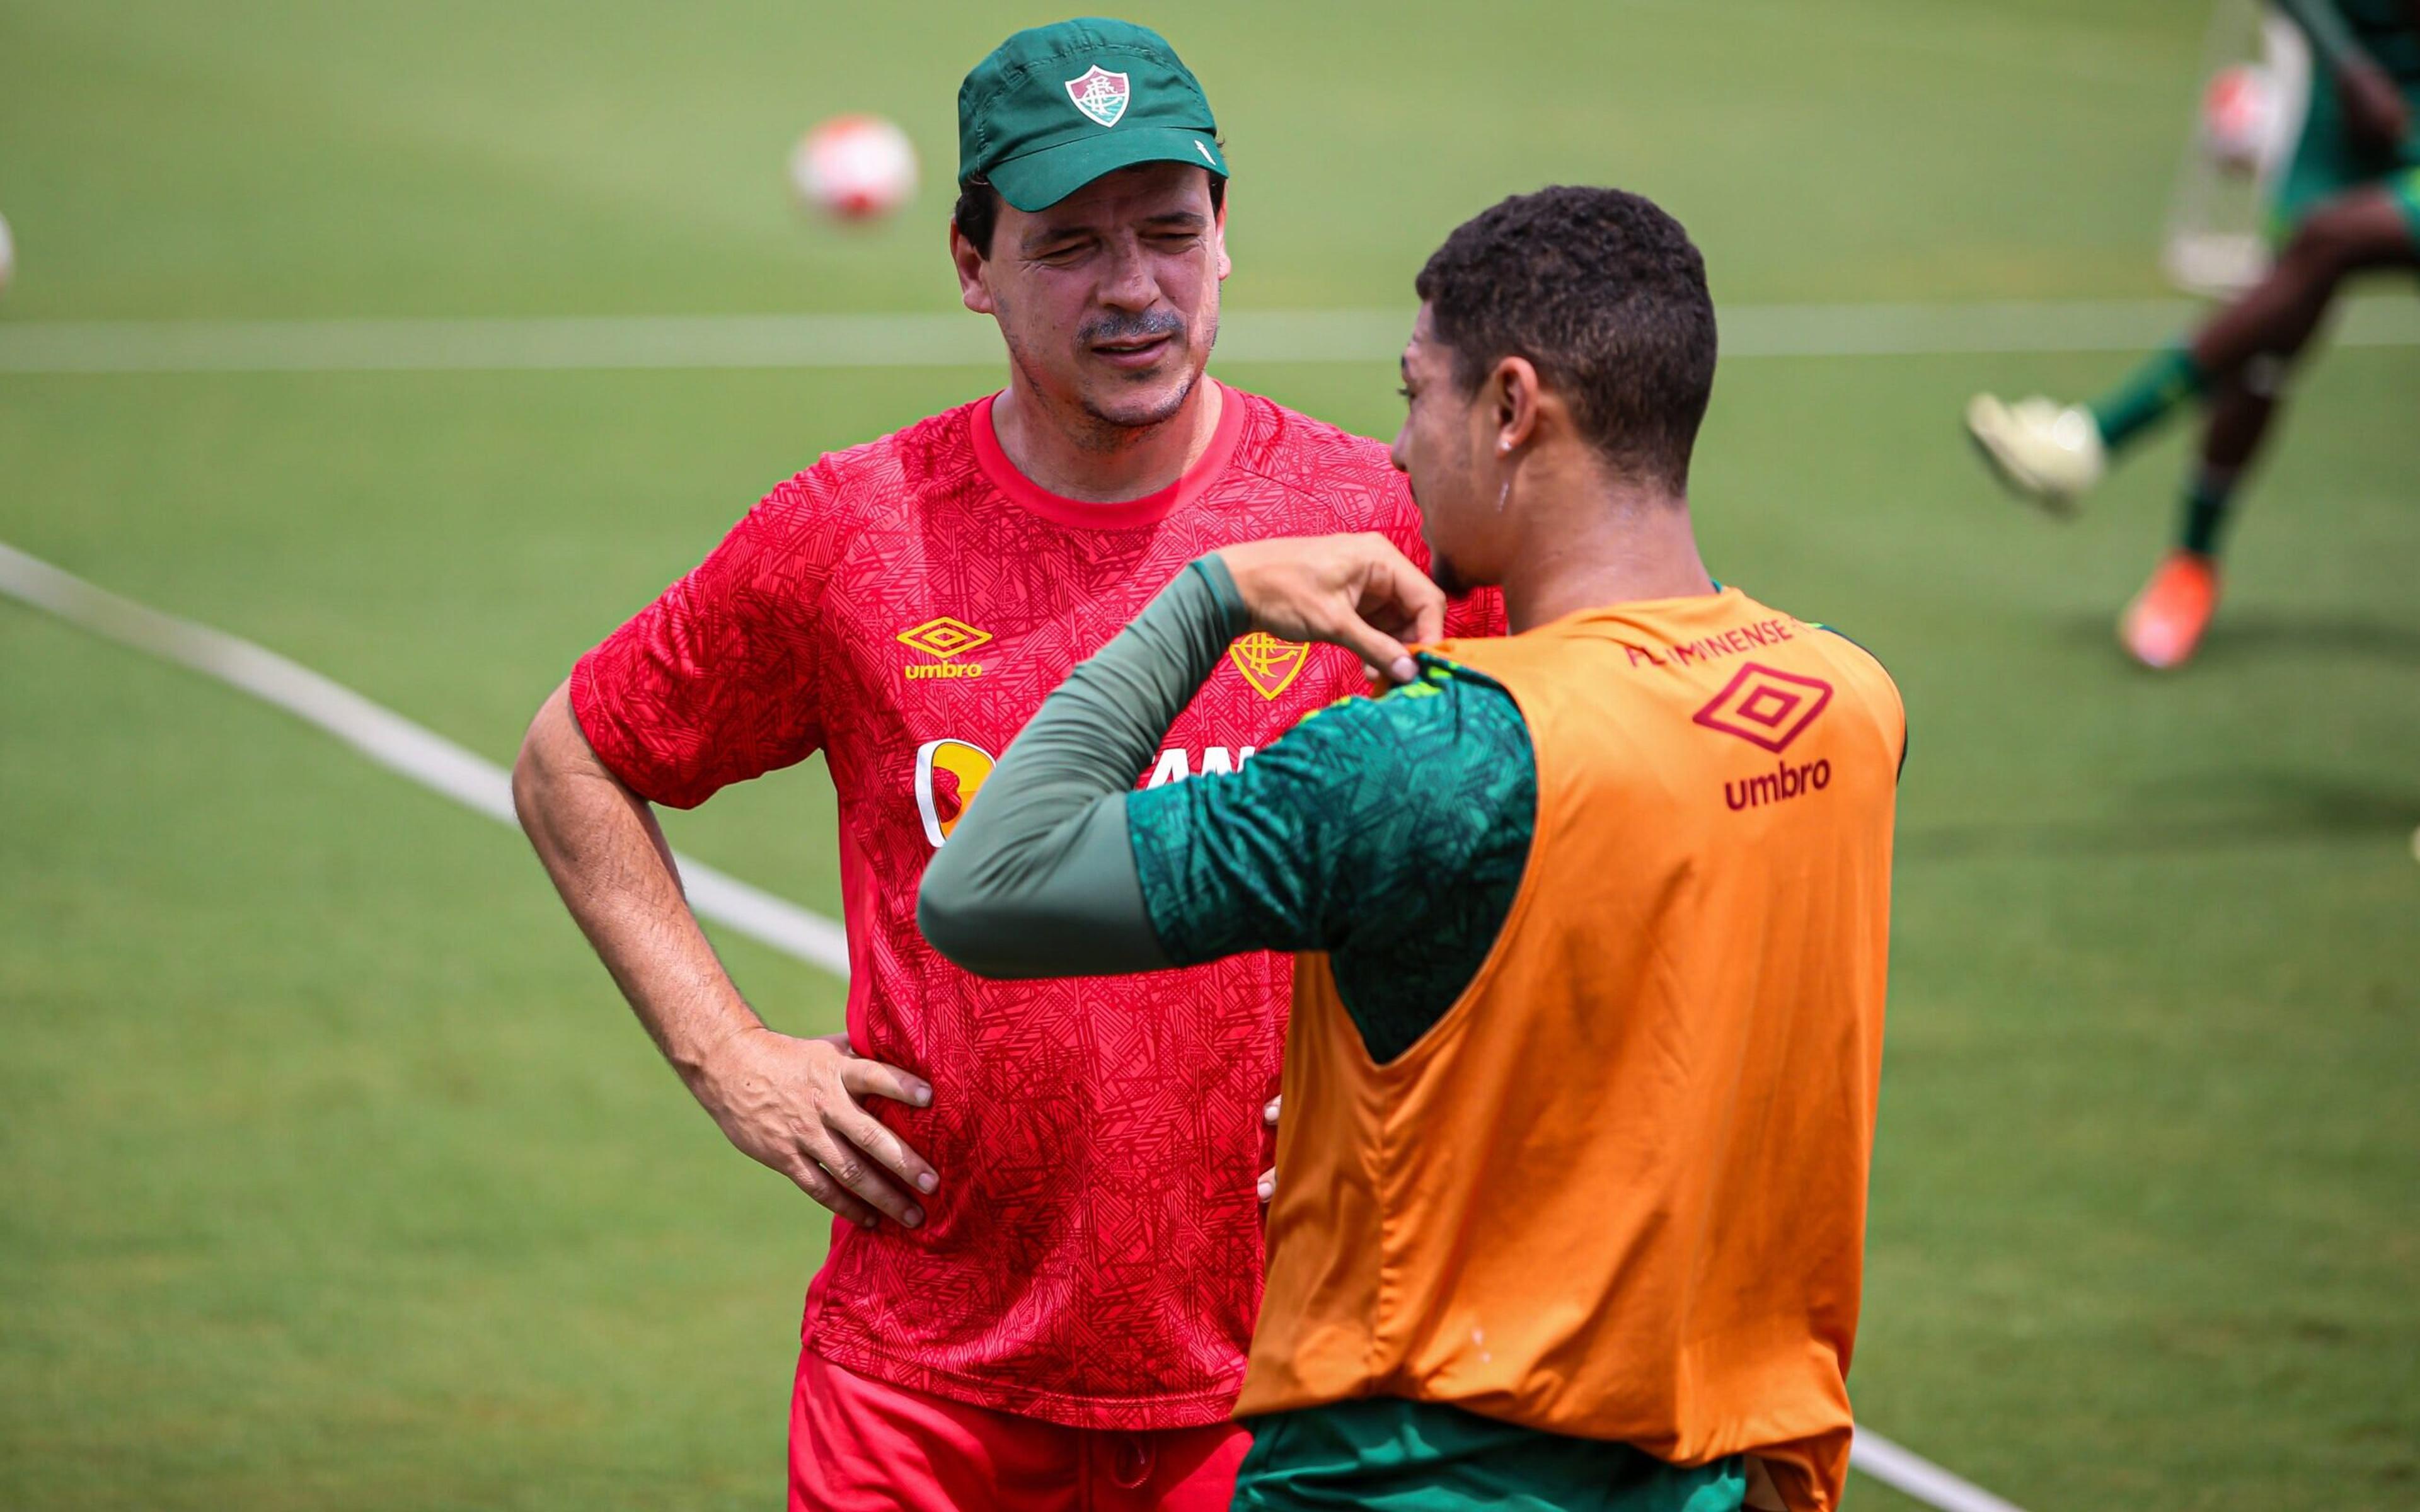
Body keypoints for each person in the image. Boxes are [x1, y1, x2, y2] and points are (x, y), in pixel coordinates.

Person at [510, 17, 1497, 1511]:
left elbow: (1554, 795)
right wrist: (728, 1054)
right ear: (971, 265)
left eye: (1170, 232)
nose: (1131, 289)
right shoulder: (852, 534)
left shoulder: (1374, 515)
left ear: (1224, 239)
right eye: (1068, 244)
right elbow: (573, 757)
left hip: (1295, 1378)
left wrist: (1446, 1063)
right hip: (922, 1391)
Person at [920, 186, 1906, 1512]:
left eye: (1416, 395)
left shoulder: (1426, 764)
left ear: (1510, 408)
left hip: (1412, 1476)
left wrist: (1209, 597)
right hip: (1725, 1470)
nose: (1396, 453)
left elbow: (989, 885)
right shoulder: (1845, 700)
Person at [1965, 0, 2420, 669]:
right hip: (2347, 102)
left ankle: (2089, 443)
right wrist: (2346, 64)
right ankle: (2191, 567)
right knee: (2268, 339)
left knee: (2327, 244)